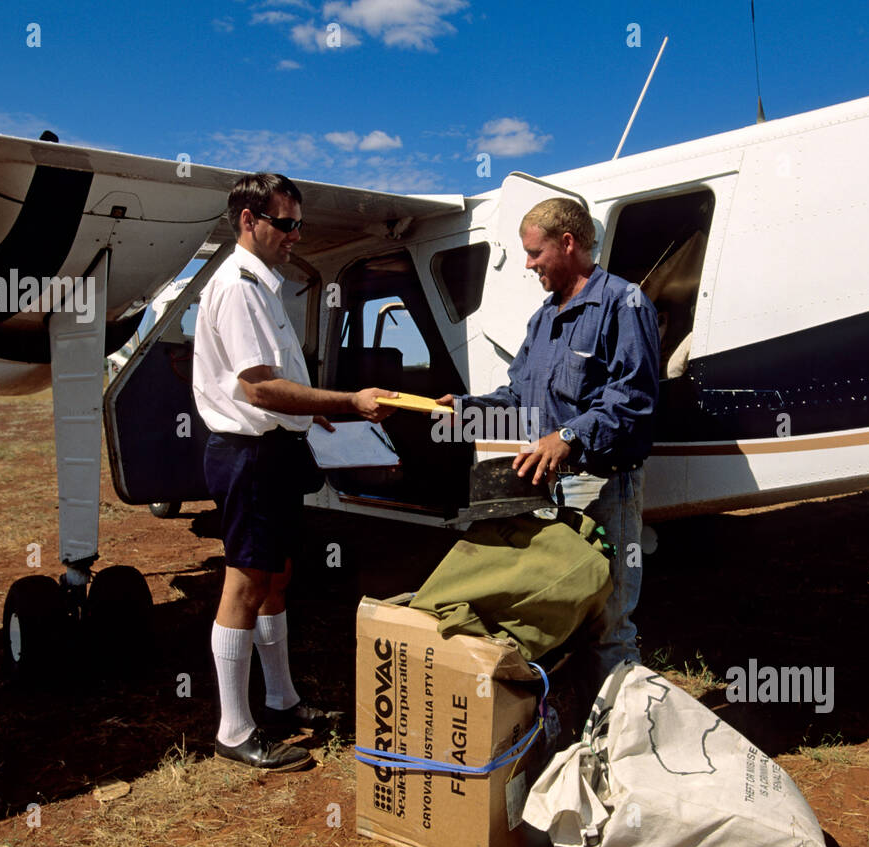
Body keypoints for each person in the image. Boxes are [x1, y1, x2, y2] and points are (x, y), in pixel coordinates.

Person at [192, 172, 395, 770]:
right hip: (248, 454)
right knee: (245, 584)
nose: (295, 236)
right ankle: (233, 730)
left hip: (276, 450)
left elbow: (283, 388)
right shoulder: (237, 286)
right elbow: (259, 389)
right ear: (248, 221)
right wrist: (347, 401)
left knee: (276, 578)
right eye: (285, 224)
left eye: (299, 224)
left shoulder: (263, 284)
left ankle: (280, 699)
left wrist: (314, 418)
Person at [437, 197, 659, 684]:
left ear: (568, 242)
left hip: (604, 487)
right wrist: (462, 408)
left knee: (609, 617)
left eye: (535, 252)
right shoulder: (543, 319)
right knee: (559, 607)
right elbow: (518, 396)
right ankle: (572, 724)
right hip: (549, 489)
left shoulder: (624, 302)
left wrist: (568, 436)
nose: (528, 263)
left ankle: (621, 739)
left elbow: (634, 398)